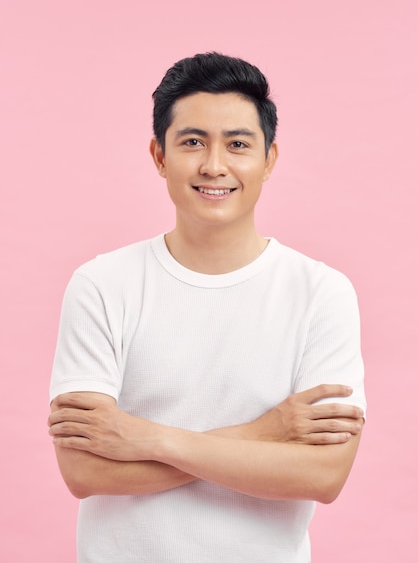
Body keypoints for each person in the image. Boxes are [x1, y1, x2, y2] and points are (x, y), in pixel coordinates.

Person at [48, 52, 366, 563]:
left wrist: (146, 438)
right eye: (192, 141)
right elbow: (84, 472)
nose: (214, 165)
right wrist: (262, 435)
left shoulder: (321, 292)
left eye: (238, 144)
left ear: (269, 159)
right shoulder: (102, 285)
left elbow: (323, 476)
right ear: (159, 156)